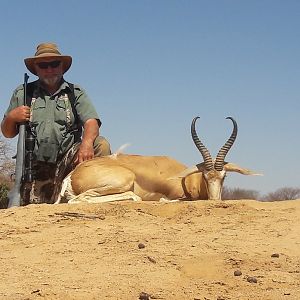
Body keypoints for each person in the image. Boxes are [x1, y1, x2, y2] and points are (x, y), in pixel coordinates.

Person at [1, 42, 111, 204]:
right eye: (43, 65)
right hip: (35, 164)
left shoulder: (75, 92)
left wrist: (86, 143)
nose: (49, 69)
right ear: (36, 69)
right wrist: (12, 117)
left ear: (62, 67)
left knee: (100, 144)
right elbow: (7, 133)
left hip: (68, 158)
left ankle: (97, 198)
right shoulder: (23, 92)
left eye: (54, 64)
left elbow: (91, 122)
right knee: (32, 206)